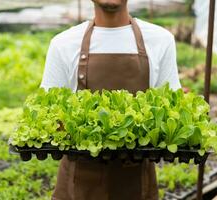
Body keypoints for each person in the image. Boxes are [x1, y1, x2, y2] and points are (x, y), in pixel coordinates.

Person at [40, 0, 181, 199]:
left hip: (137, 184)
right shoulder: (63, 43)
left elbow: (172, 110)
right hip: (78, 185)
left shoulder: (160, 40)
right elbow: (46, 113)